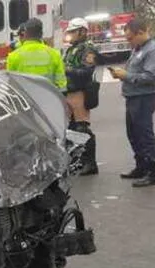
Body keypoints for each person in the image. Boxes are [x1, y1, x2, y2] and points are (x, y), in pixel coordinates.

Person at [110, 18, 155, 187]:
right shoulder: (138, 49)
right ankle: (141, 166)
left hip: (144, 96)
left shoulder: (151, 50)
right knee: (133, 134)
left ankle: (152, 170)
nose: (129, 42)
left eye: (130, 38)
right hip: (133, 96)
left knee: (144, 135)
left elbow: (151, 77)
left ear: (141, 32)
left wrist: (125, 75)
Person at [63, 17, 99, 175]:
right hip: (69, 91)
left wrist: (67, 70)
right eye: (69, 32)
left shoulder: (88, 49)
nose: (70, 35)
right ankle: (77, 160)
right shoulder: (71, 49)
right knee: (71, 128)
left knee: (82, 128)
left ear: (82, 31)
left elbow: (87, 71)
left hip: (81, 91)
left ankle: (90, 163)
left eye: (73, 31)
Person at [6, 18, 67, 92]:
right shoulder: (55, 54)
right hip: (49, 99)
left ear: (25, 34)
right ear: (41, 34)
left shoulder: (13, 57)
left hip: (26, 100)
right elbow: (62, 85)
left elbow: (11, 86)